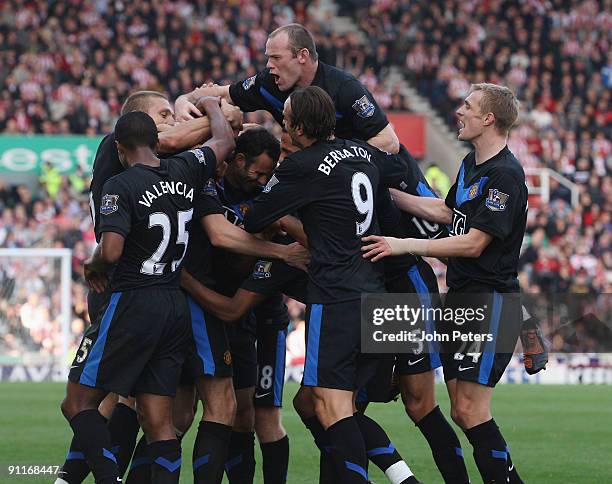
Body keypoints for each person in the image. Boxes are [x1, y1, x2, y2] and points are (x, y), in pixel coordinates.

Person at [58, 89, 243, 484]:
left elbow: (110, 249)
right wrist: (214, 105)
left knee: (85, 403)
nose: (173, 122)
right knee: (158, 420)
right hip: (172, 302)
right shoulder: (175, 168)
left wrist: (93, 263)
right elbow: (221, 141)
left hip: (131, 296)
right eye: (164, 114)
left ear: (127, 146)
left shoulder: (123, 183)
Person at [363, 83, 527, 484]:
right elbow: (445, 210)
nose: (459, 111)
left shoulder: (506, 175)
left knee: (471, 411)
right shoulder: (472, 164)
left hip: (488, 302)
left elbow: (473, 243)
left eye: (468, 106)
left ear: (489, 118)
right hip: (461, 299)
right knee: (460, 409)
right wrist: (382, 193)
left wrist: (402, 244)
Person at [242, 86, 405, 484]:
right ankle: (406, 479)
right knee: (326, 406)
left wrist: (292, 221)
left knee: (329, 409)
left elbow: (256, 217)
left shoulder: (301, 167)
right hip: (379, 296)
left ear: (296, 126)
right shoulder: (363, 153)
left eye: (285, 116)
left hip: (338, 298)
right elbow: (397, 169)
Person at [175, 23, 399, 154]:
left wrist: (336, 161)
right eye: (268, 58)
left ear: (302, 56)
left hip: (380, 181)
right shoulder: (268, 83)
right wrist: (182, 101)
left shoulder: (344, 87)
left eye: (276, 58)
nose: (269, 66)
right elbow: (221, 92)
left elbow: (389, 142)